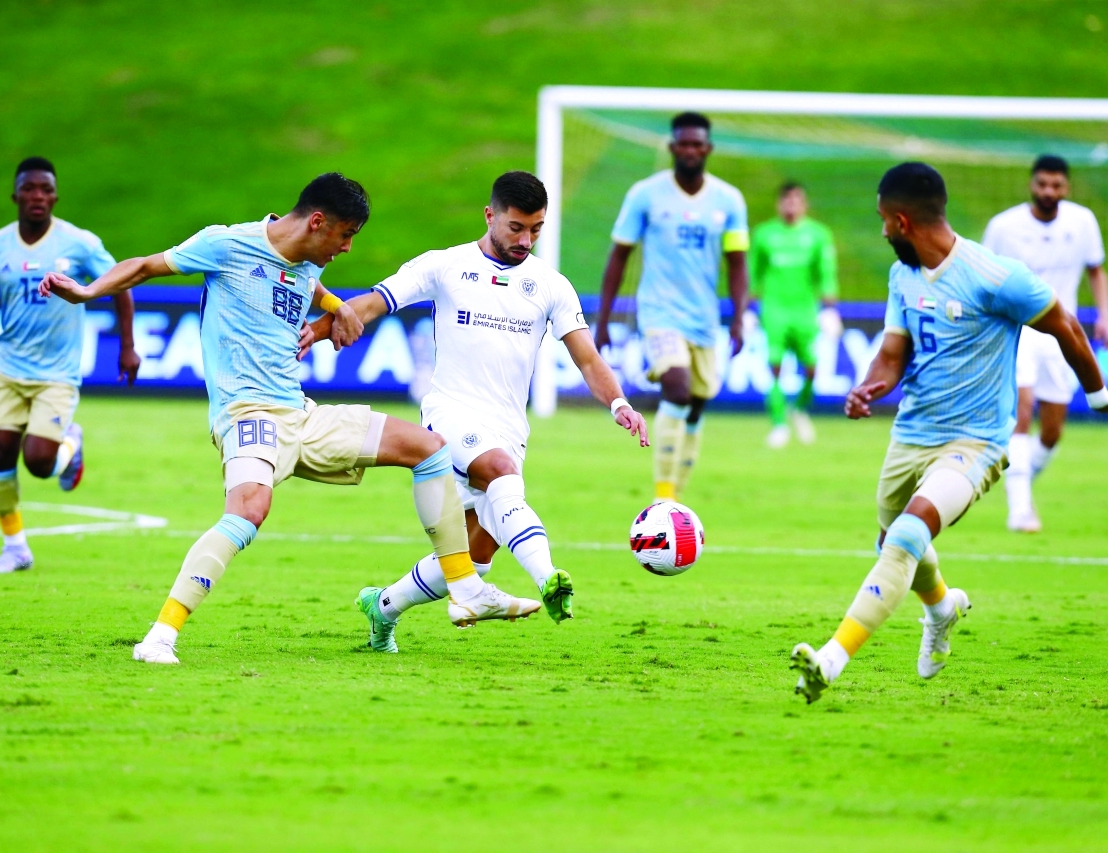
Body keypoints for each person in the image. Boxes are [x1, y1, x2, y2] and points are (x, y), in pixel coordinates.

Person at [38, 173, 542, 665]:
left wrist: (338, 306)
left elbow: (307, 284)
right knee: (248, 510)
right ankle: (159, 636)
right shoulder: (226, 245)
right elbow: (145, 266)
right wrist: (86, 293)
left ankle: (464, 587)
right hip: (247, 412)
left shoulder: (303, 261)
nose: (346, 248)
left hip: (301, 414)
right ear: (317, 222)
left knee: (429, 449)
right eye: (345, 235)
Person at [790, 162, 1108, 705]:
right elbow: (892, 354)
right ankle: (942, 608)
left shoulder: (994, 276)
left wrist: (1097, 394)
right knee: (893, 541)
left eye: (883, 220)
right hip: (912, 434)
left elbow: (1064, 324)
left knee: (906, 535)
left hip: (976, 441)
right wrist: (869, 387)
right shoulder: (902, 276)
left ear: (903, 221)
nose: (882, 231)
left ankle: (830, 660)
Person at [305, 171, 649, 653]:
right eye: (516, 227)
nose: (525, 240)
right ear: (490, 216)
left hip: (509, 427)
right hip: (450, 413)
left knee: (474, 560)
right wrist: (316, 331)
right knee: (501, 472)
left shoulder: (551, 285)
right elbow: (372, 304)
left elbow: (587, 358)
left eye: (536, 229)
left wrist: (619, 403)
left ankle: (382, 606)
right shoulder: (445, 266)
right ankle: (549, 578)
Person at [0, 156, 140, 575]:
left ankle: (70, 443)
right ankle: (15, 548)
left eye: (46, 189)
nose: (38, 196)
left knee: (39, 463)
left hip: (57, 374)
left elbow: (121, 285)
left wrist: (127, 346)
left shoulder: (79, 244)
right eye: (29, 189)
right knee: (0, 451)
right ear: (15, 196)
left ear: (56, 197)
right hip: (7, 368)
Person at [594, 111, 749, 502]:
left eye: (697, 144)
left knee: (695, 407)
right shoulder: (645, 195)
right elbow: (619, 256)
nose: (690, 150)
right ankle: (663, 497)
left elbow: (737, 263)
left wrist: (739, 318)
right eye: (684, 143)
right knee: (677, 389)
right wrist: (604, 319)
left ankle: (676, 499)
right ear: (672, 147)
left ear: (708, 148)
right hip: (659, 314)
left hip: (703, 319)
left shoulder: (729, 200)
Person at [982, 154, 1108, 533]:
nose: (1048, 191)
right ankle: (1020, 510)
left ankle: (1020, 485)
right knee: (1021, 411)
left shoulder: (1083, 221)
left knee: (1053, 432)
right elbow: (984, 277)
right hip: (1017, 328)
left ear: (1066, 187)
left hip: (1062, 332)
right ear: (1031, 184)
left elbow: (1096, 270)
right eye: (1042, 184)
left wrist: (1104, 315)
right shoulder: (1003, 226)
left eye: (1056, 185)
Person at [749, 181, 840, 448]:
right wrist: (746, 311)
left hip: (805, 311)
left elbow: (826, 273)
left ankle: (799, 408)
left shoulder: (818, 234)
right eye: (786, 200)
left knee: (812, 367)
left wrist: (830, 310)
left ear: (804, 204)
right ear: (779, 204)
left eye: (796, 200)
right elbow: (754, 274)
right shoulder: (764, 234)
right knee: (775, 366)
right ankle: (778, 424)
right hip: (774, 310)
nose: (791, 205)